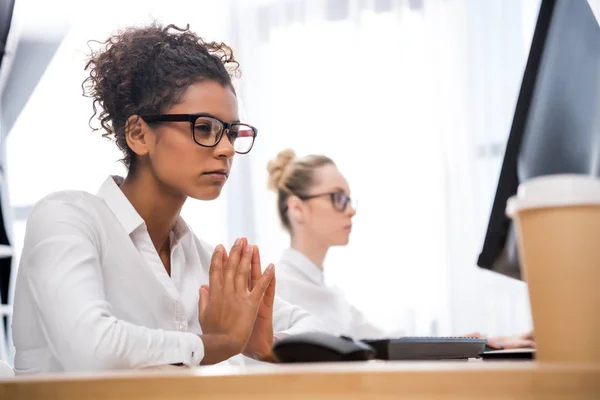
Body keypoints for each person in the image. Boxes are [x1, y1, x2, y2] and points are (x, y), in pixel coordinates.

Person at [11, 24, 322, 375]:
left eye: (232, 132)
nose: (226, 149)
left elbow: (315, 328)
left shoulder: (203, 259)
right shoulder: (66, 219)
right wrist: (218, 343)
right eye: (204, 128)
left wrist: (267, 345)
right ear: (138, 134)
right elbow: (92, 349)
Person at [267, 149, 535, 349]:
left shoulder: (334, 298)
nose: (351, 210)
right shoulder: (272, 287)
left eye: (349, 199)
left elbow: (393, 343)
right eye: (338, 198)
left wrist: (490, 343)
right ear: (297, 208)